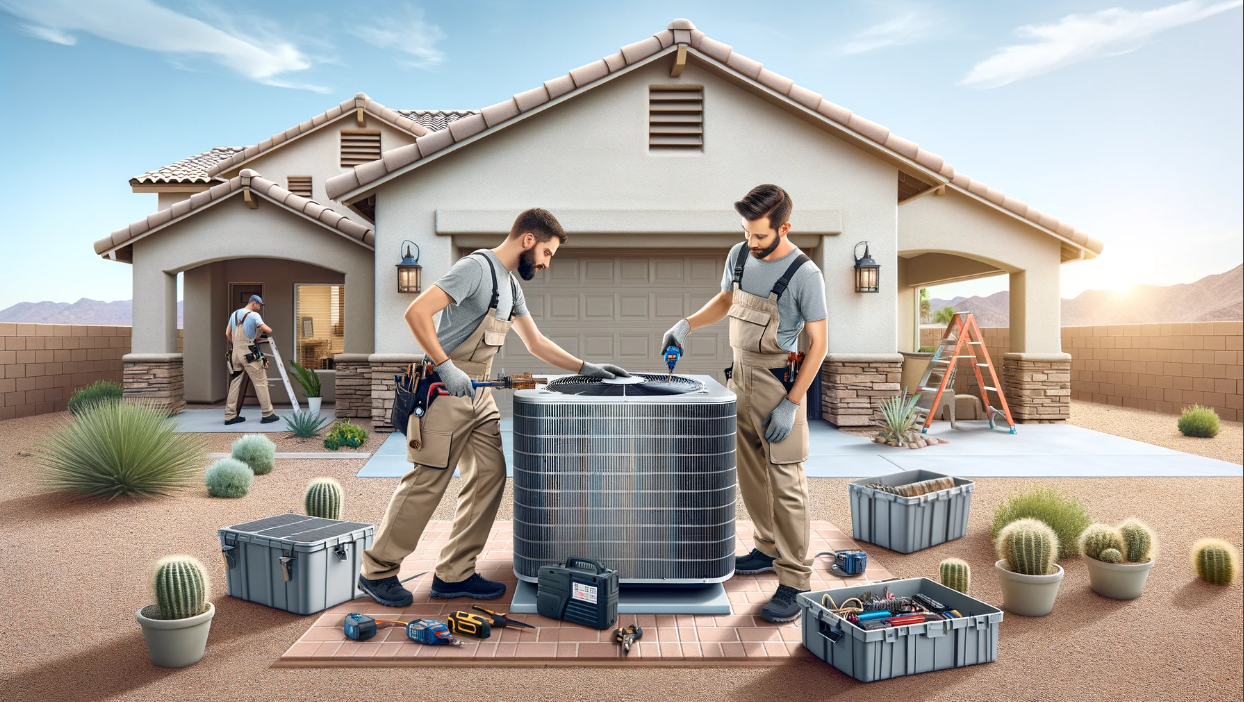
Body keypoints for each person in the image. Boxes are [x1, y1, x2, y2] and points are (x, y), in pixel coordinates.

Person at [359, 208, 631, 606]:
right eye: (547, 253)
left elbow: (536, 343)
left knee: (490, 475)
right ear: (528, 240)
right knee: (427, 482)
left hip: (479, 394)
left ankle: (454, 573)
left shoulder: (511, 287)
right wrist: (446, 366)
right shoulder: (475, 268)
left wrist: (586, 368)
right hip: (443, 391)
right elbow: (415, 312)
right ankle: (377, 570)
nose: (546, 262)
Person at [661, 185, 828, 623]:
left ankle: (795, 581)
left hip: (777, 383)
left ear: (784, 227)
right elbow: (726, 300)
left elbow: (819, 345)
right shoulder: (738, 255)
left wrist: (793, 403)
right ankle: (766, 547)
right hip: (738, 377)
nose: (751, 243)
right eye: (746, 233)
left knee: (787, 483)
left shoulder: (805, 275)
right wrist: (686, 325)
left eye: (759, 236)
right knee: (751, 474)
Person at [224, 294, 279, 425]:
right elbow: (268, 329)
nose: (260, 307)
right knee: (260, 381)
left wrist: (237, 343)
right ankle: (267, 414)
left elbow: (227, 333)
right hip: (249, 353)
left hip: (235, 353)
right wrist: (261, 330)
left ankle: (230, 416)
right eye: (259, 305)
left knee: (235, 383)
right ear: (254, 303)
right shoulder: (254, 315)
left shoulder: (234, 314)